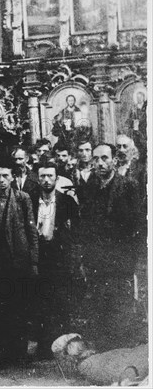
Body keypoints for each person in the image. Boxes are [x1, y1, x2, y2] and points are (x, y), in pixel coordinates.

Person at [76, 143, 145, 350]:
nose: (100, 163)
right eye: (96, 159)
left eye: (105, 158)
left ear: (114, 160)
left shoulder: (128, 185)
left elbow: (138, 225)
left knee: (120, 309)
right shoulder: (88, 187)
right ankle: (102, 356)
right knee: (98, 307)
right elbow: (85, 225)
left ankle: (119, 356)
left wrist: (130, 259)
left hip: (120, 261)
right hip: (96, 261)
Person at [0, 155, 39, 363]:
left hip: (18, 262)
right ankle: (4, 352)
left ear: (13, 177)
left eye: (5, 176)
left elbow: (31, 231)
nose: (1, 180)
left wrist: (33, 261)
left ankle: (19, 352)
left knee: (18, 308)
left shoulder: (23, 198)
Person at [29, 161, 81, 359]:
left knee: (59, 302)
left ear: (57, 178)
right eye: (42, 176)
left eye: (50, 176)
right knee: (39, 302)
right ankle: (43, 346)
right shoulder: (30, 200)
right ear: (37, 178)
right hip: (37, 257)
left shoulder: (66, 202)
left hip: (59, 259)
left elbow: (75, 231)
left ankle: (58, 346)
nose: (46, 180)